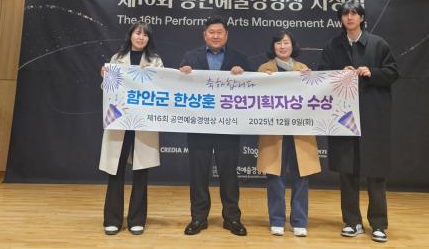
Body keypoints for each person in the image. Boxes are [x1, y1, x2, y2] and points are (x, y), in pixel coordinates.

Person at [318, 1, 399, 243]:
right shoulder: (333, 45)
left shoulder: (378, 43)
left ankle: (379, 224)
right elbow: (321, 75)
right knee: (347, 172)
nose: (350, 17)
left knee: (376, 172)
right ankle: (351, 222)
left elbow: (393, 72)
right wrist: (338, 73)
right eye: (345, 14)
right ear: (340, 19)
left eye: (354, 13)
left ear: (362, 18)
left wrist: (372, 72)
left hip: (373, 116)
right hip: (344, 117)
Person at [179, 16, 252, 236]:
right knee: (198, 175)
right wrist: (182, 74)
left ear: (226, 35)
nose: (216, 36)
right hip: (199, 125)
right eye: (211, 32)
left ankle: (232, 218)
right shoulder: (190, 57)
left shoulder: (240, 58)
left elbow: (254, 89)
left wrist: (244, 75)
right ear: (205, 35)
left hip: (228, 126)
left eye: (220, 32)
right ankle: (198, 218)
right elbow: (176, 88)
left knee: (229, 175)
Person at [99, 21, 163, 236]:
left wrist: (149, 75)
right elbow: (109, 90)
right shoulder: (116, 59)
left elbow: (162, 88)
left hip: (142, 122)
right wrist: (105, 76)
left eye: (145, 35)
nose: (141, 37)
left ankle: (137, 219)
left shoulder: (155, 61)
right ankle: (112, 219)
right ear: (130, 36)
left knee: (140, 171)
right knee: (115, 170)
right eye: (137, 33)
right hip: (120, 120)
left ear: (149, 39)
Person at [257, 30, 321, 237]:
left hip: (299, 131)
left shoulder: (304, 69)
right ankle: (276, 219)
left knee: (301, 175)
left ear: (293, 46)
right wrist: (262, 82)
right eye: (278, 43)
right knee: (274, 176)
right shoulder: (264, 69)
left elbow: (315, 98)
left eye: (286, 43)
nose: (282, 46)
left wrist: (311, 80)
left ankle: (299, 221)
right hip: (274, 131)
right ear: (273, 47)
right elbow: (255, 99)